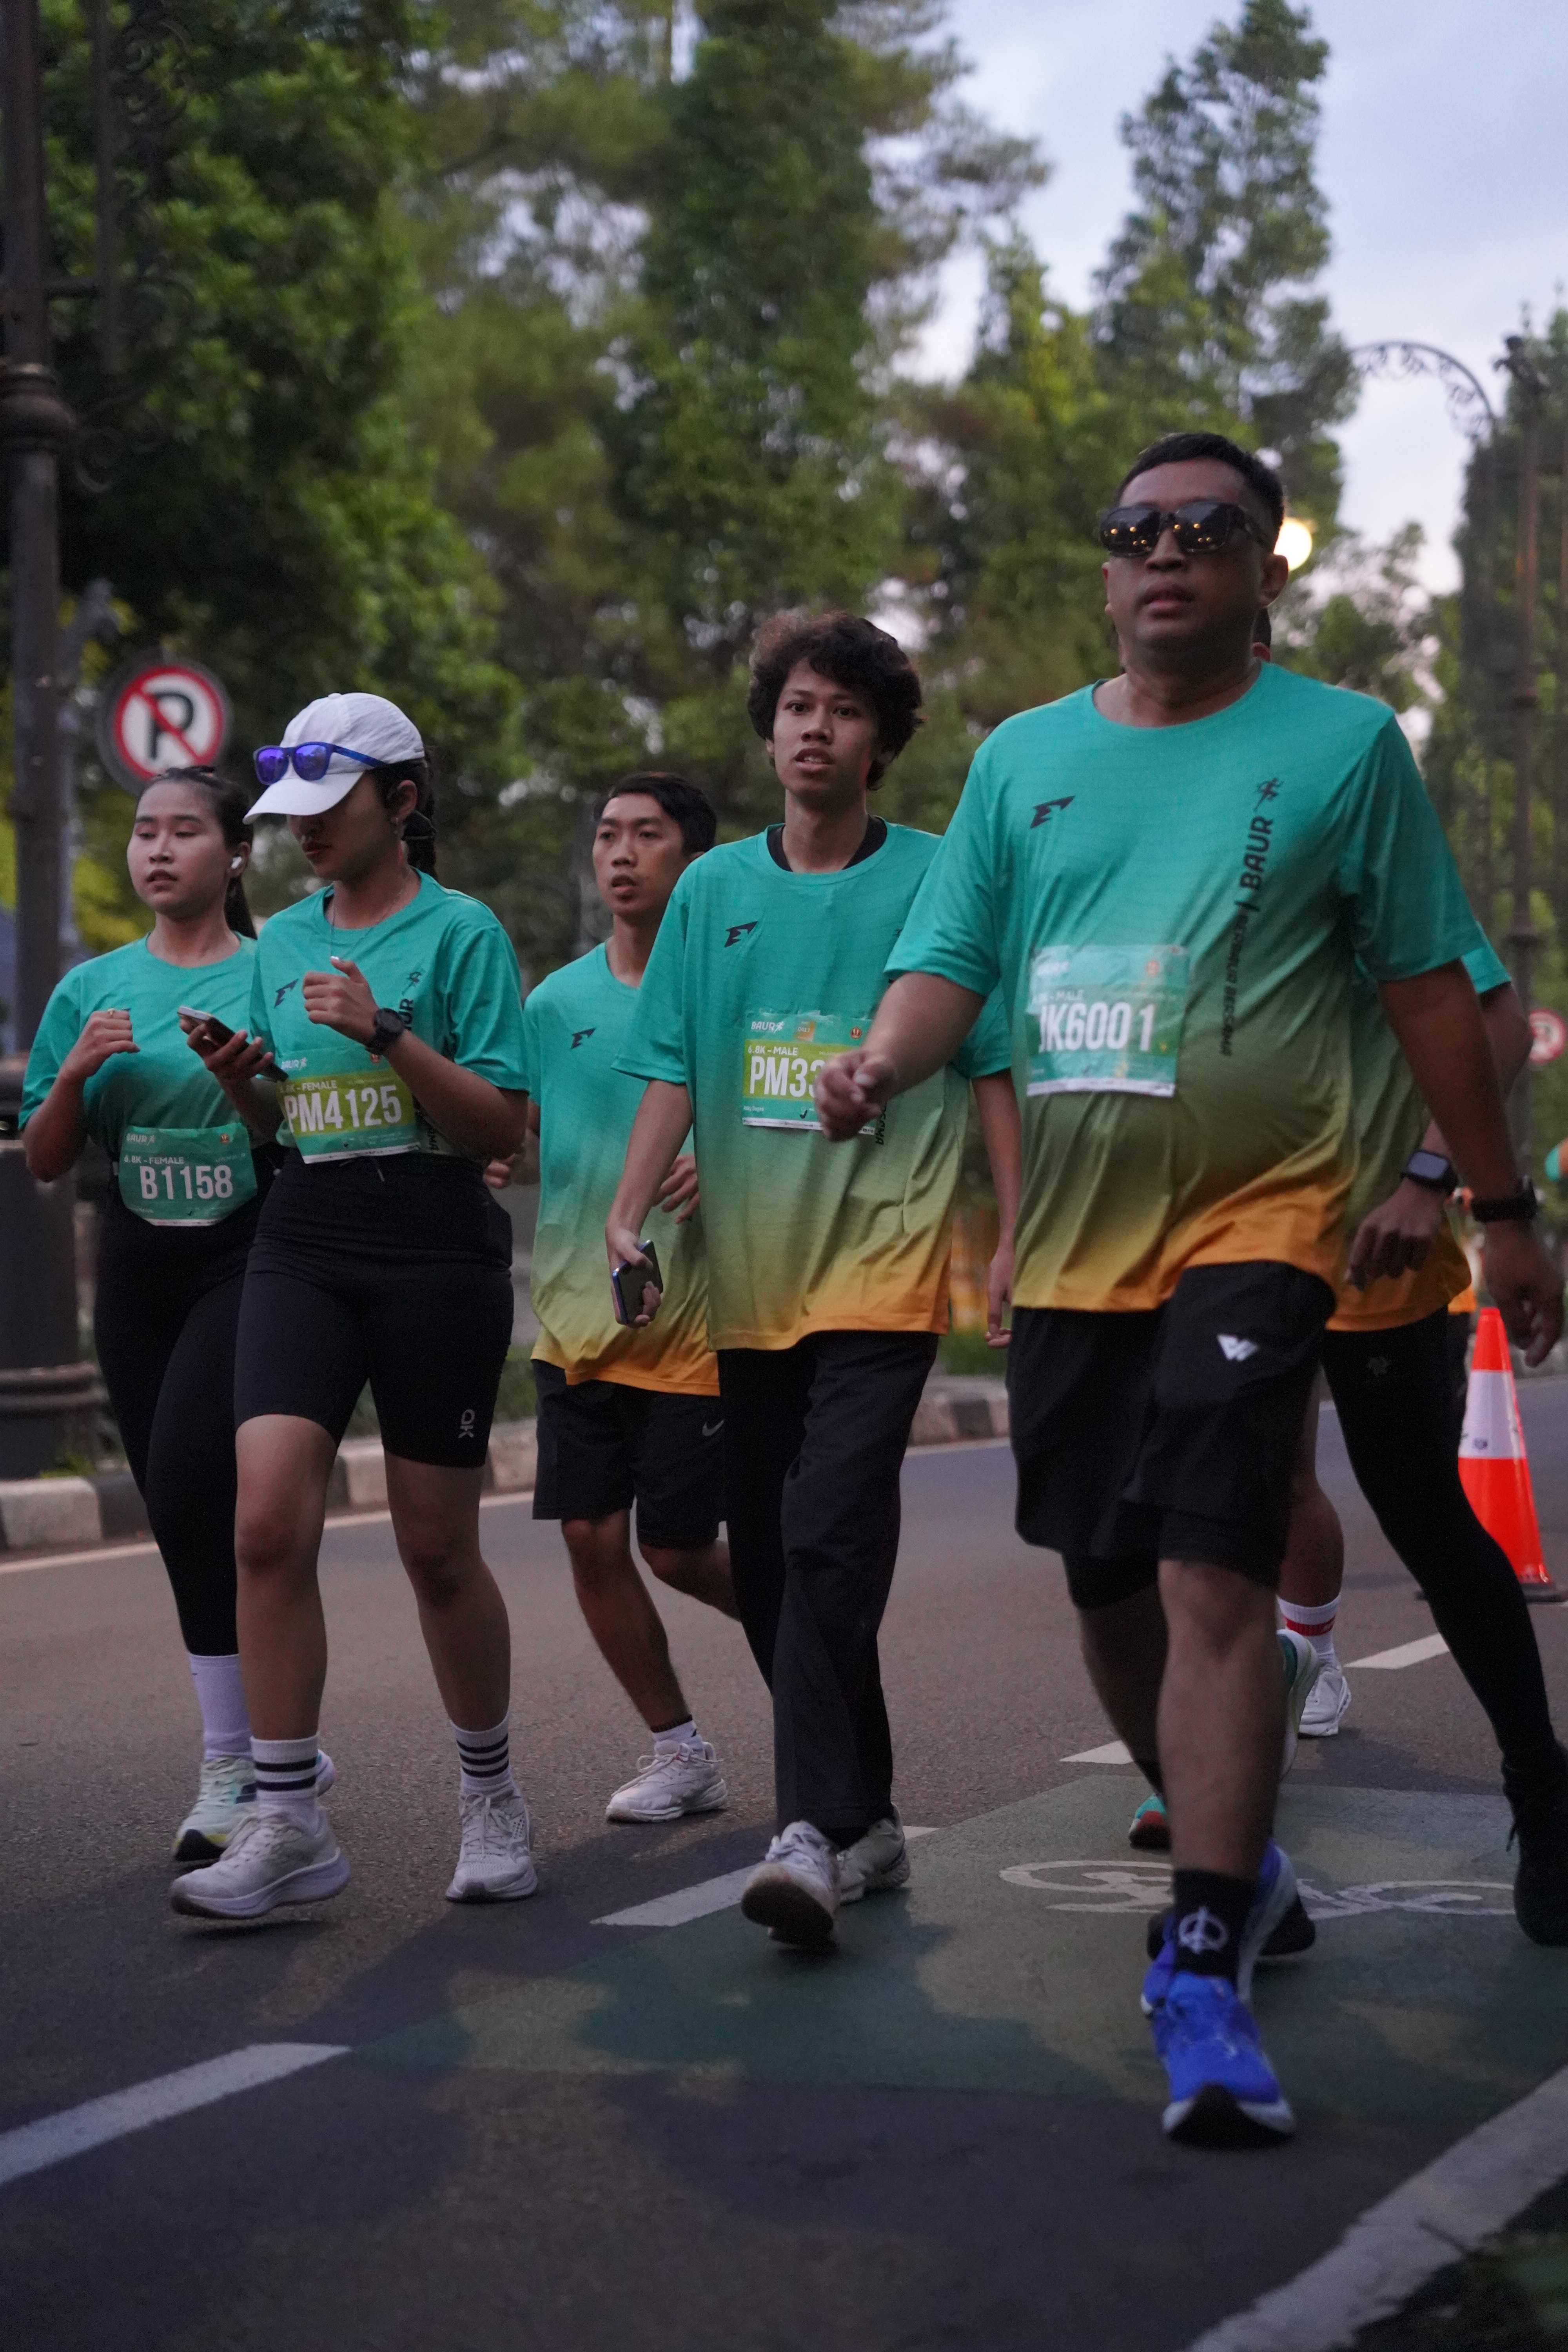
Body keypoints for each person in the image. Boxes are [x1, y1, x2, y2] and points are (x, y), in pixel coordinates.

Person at [815, 432, 1563, 2146]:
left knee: (1231, 1552)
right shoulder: (1024, 759)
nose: (1166, 551)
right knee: (1105, 1572)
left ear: (1260, 568)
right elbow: (948, 967)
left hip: (1287, 1221)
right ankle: (1244, 1854)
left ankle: (1214, 1949)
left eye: (1206, 529)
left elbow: (1445, 995)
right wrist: (879, 1062)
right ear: (1106, 568)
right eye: (1136, 528)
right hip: (1086, 1243)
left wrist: (1479, 1201)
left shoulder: (1342, 750)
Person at [607, 612, 1020, 1951]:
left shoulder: (939, 876)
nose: (814, 728)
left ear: (880, 739)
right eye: (796, 706)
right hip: (750, 1278)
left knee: (832, 1528)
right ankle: (869, 1815)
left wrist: (1015, 1232)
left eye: (843, 709)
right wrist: (626, 1212)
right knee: (780, 1561)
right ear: (770, 727)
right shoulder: (713, 892)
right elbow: (673, 1063)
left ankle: (808, 1832)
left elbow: (993, 1064)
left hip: (884, 1267)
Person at [169, 691, 534, 1919]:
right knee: (266, 1525)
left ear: (404, 802)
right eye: (294, 814)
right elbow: (280, 1127)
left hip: (434, 1244)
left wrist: (385, 1032)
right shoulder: (277, 942)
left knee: (437, 1548)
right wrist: (243, 1083)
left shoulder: (464, 933)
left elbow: (500, 1129)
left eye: (332, 808)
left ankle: (491, 1795)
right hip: (306, 1235)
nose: (306, 831)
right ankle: (287, 1823)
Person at [20, 766, 312, 1861]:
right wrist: (73, 1076)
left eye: (184, 831)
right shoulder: (92, 989)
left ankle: (234, 1766)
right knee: (176, 1512)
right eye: (145, 831)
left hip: (251, 1253)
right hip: (139, 1267)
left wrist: (244, 1083)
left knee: (197, 1484)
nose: (157, 849)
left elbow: (298, 1129)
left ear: (233, 855)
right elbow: (46, 1160)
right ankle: (261, 1747)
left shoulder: (274, 973)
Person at [516, 771, 739, 1824]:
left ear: (693, 862)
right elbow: (524, 1131)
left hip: (699, 1323)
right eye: (608, 834)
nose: (621, 853)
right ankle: (679, 1749)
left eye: (647, 835)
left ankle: (814, 1650)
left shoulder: (730, 994)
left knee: (679, 1549)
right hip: (576, 1316)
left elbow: (802, 1118)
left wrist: (727, 1159)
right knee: (590, 1538)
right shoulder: (553, 1005)